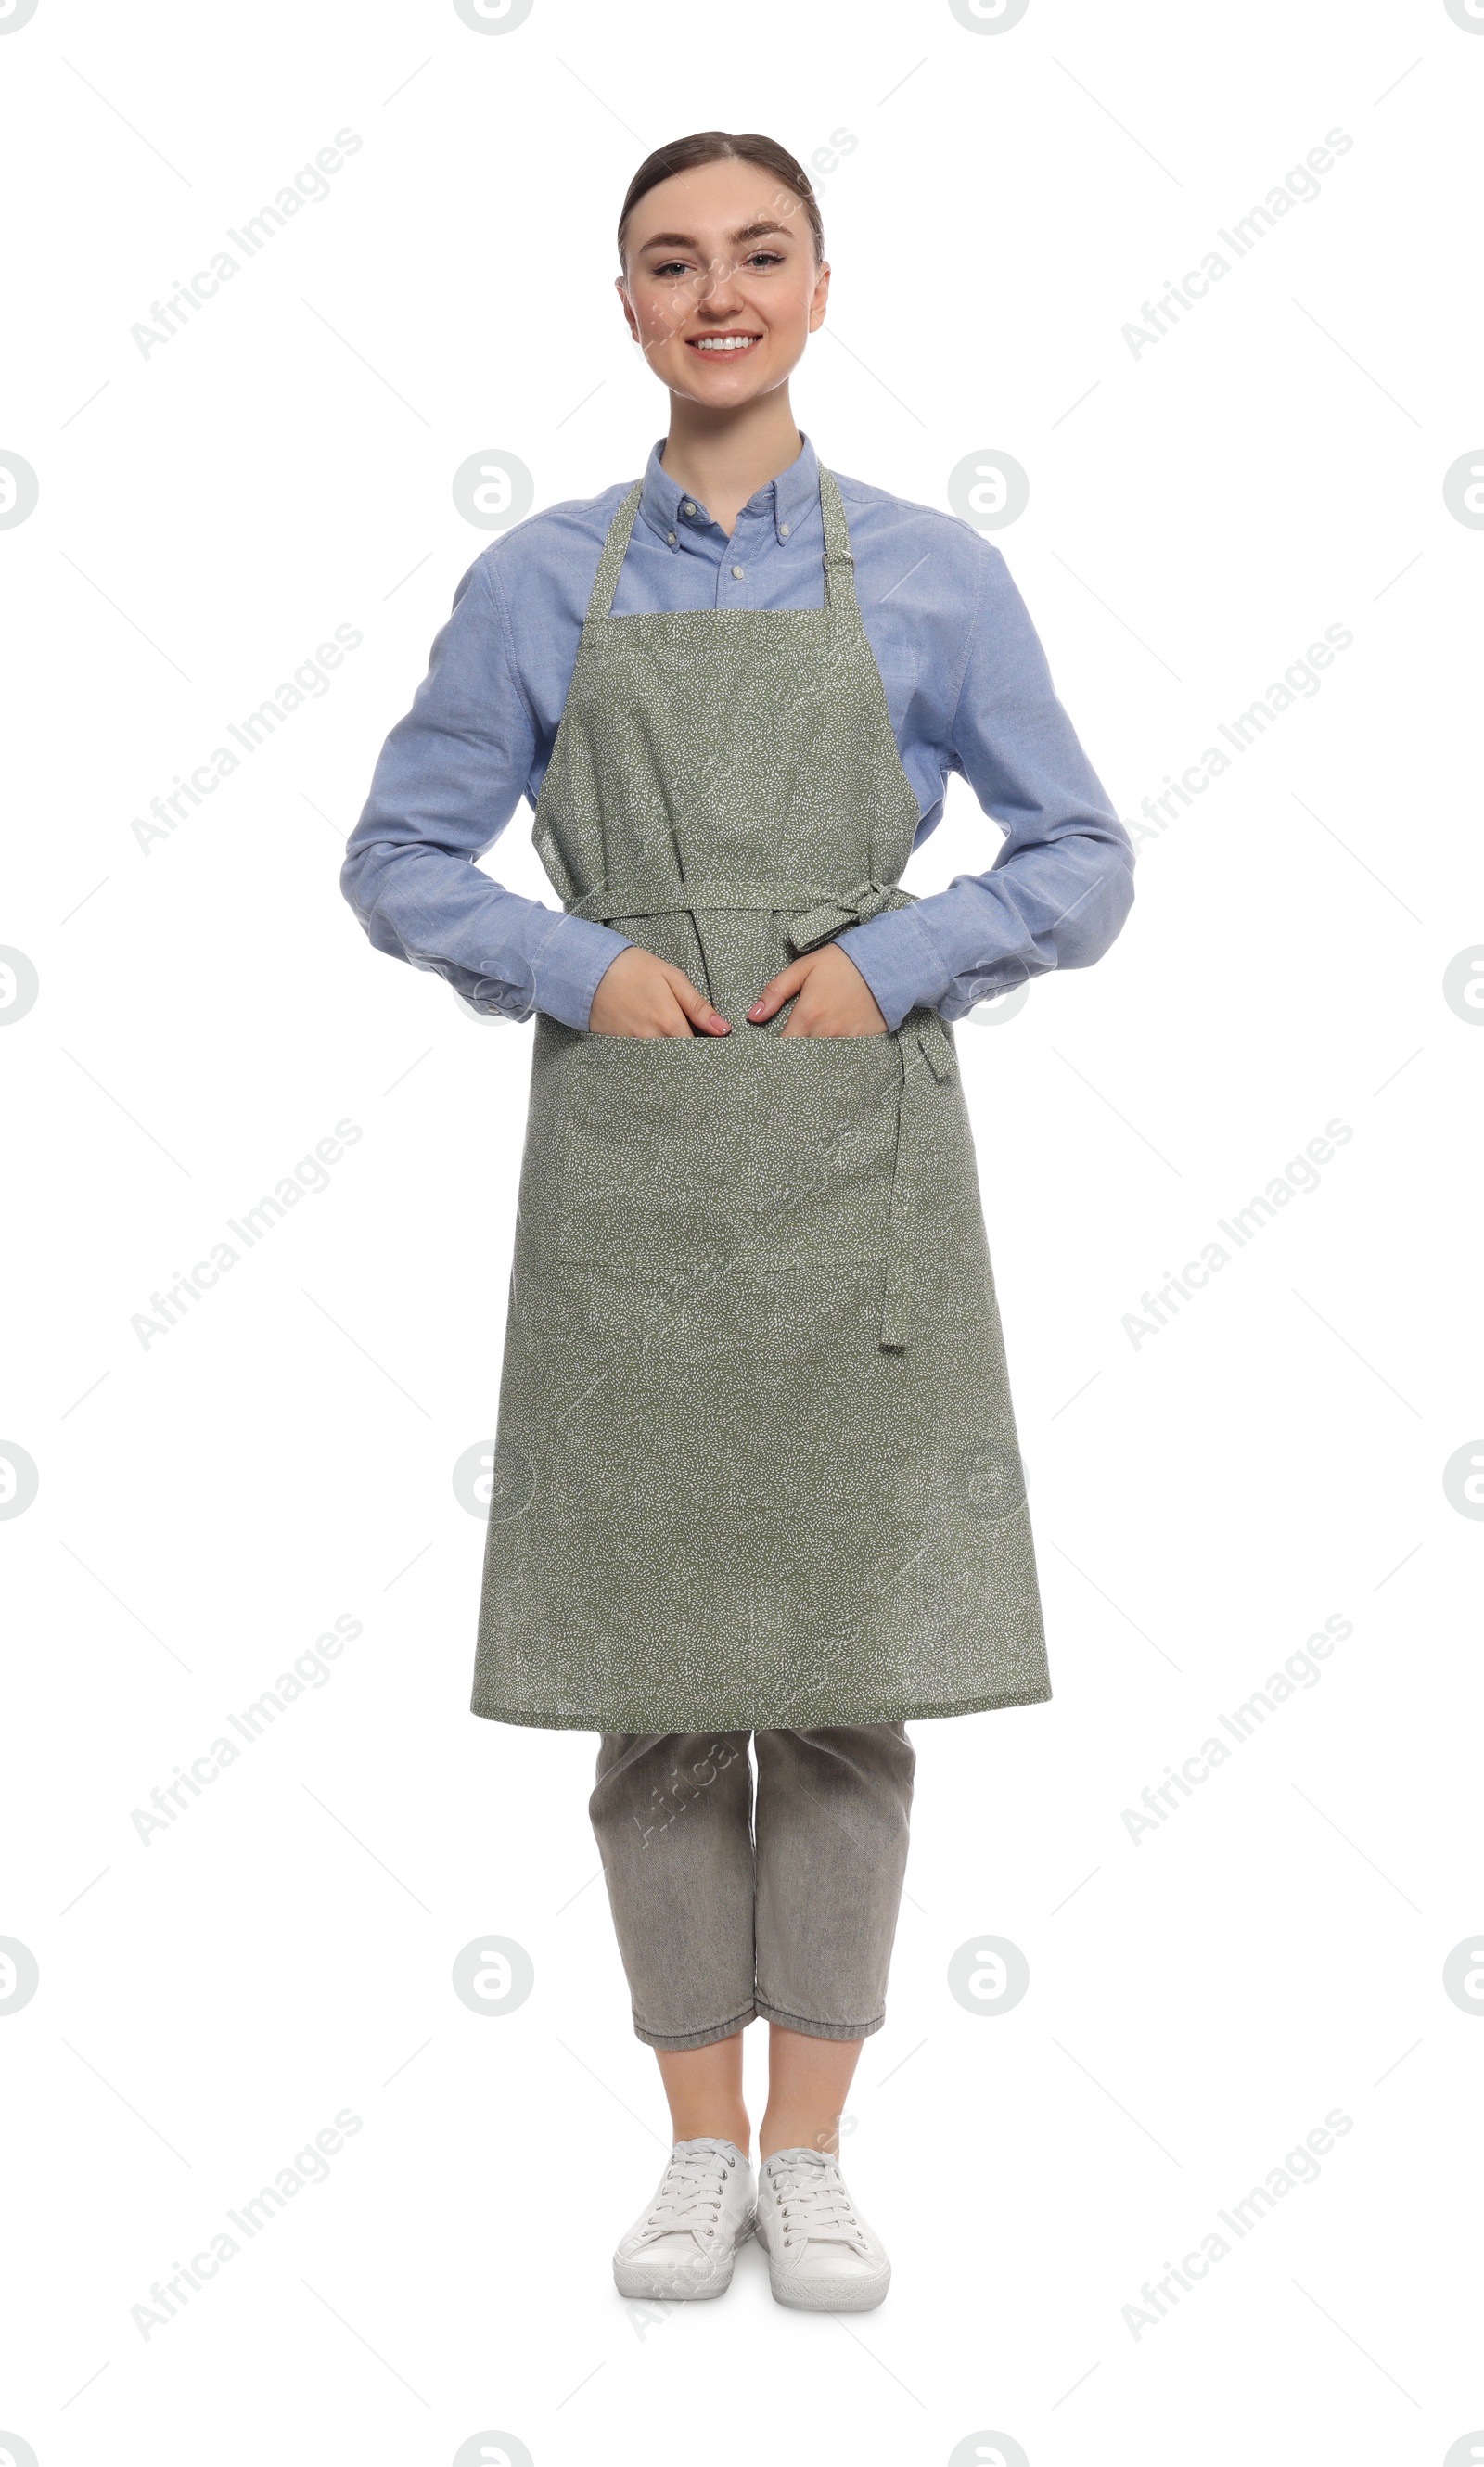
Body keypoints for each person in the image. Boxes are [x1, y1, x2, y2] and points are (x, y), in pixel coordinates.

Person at [342, 129, 1134, 2313]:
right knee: (658, 1687)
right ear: (623, 307)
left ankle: (816, 2157)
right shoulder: (534, 582)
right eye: (670, 262)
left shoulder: (931, 575)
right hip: (630, 1156)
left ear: (814, 284)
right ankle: (695, 2153)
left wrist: (890, 961)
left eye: (756, 254)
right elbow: (399, 856)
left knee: (848, 1684)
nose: (717, 293)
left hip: (854, 1153)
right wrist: (572, 960)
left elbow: (1075, 851)